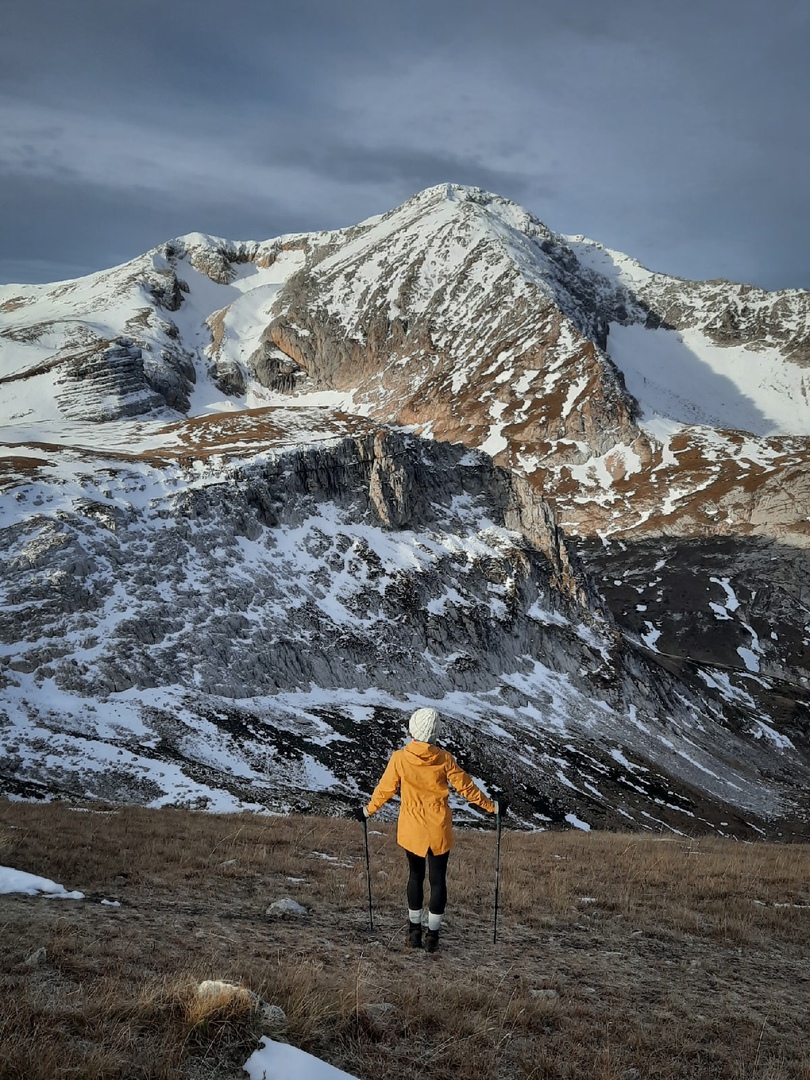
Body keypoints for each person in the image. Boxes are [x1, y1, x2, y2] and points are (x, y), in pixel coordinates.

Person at [353, 707, 506, 953]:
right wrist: (492, 807)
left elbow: (385, 790)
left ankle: (414, 930)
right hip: (438, 828)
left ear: (413, 729)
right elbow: (466, 788)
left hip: (411, 827)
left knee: (415, 876)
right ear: (434, 733)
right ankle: (432, 935)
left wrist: (367, 811)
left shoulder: (400, 758)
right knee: (438, 881)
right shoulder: (444, 758)